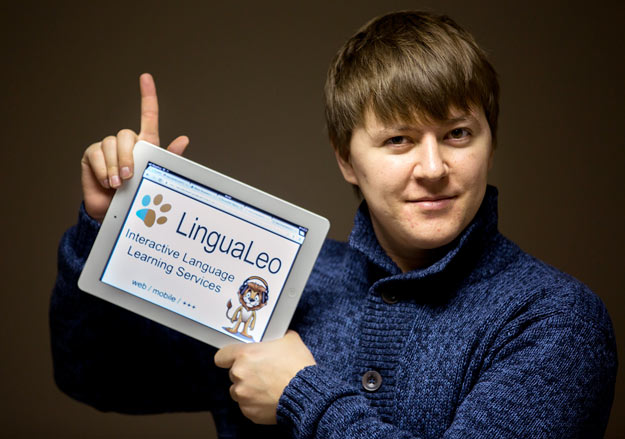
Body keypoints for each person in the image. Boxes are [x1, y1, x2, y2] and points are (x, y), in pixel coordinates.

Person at [50, 10, 617, 438]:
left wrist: (303, 394)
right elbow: (93, 375)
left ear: (490, 142)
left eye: (457, 134)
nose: (433, 168)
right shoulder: (271, 278)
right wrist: (109, 228)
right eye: (398, 140)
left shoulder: (555, 319)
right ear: (346, 158)